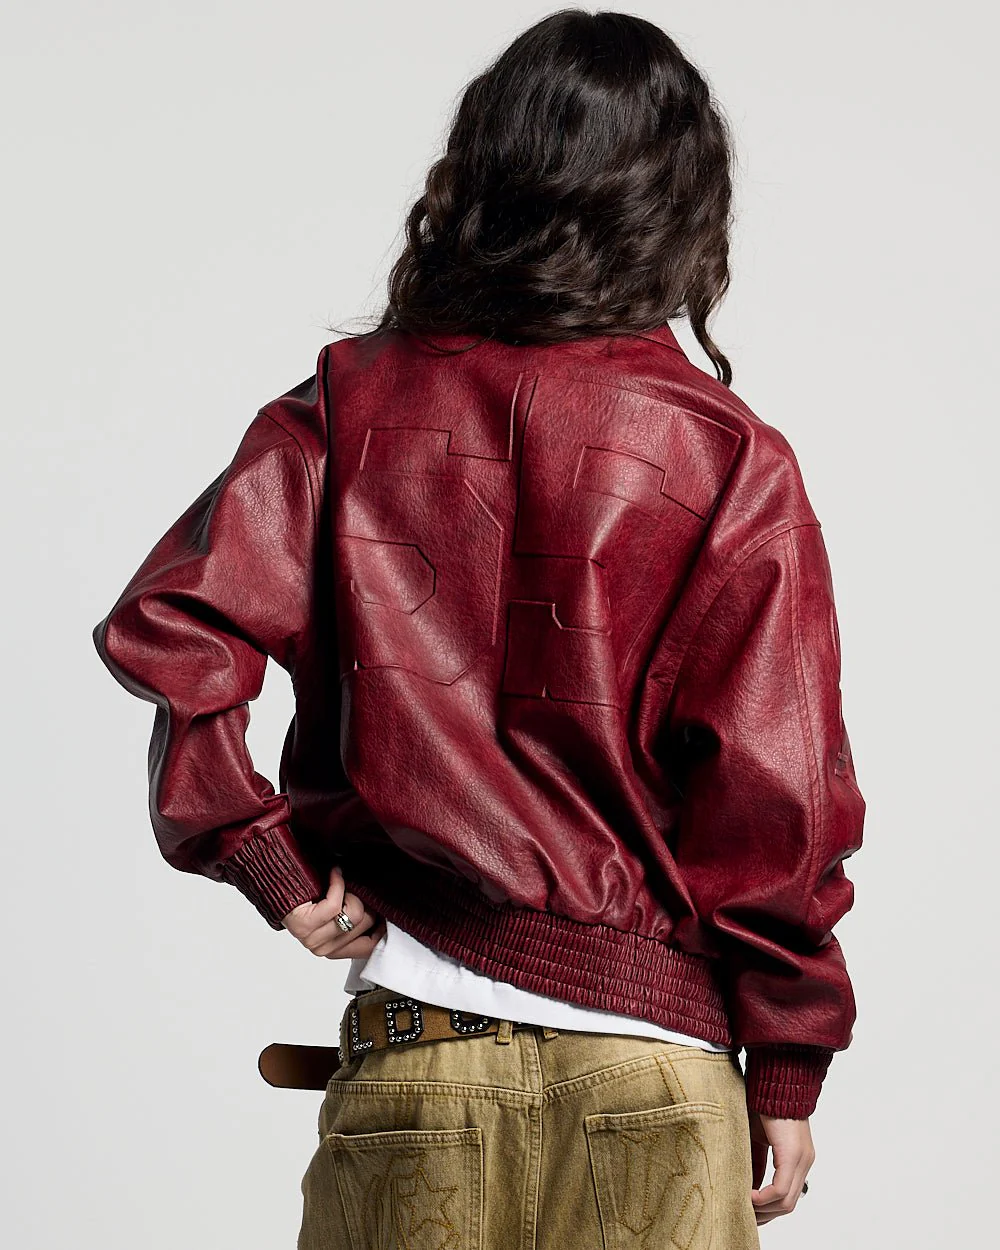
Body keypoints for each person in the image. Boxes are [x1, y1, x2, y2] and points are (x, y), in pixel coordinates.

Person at [92, 10, 865, 1247]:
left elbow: (174, 622)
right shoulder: (728, 459)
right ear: (677, 203)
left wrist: (265, 858)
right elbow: (775, 792)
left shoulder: (346, 409)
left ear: (482, 176)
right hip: (655, 1079)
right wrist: (785, 1054)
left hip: (419, 1062)